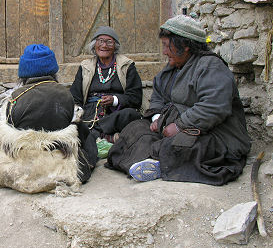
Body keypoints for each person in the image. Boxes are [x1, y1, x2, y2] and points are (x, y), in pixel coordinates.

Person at [106, 15, 251, 185]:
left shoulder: (210, 67)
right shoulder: (172, 68)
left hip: (214, 134)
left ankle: (157, 164)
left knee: (182, 144)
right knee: (135, 128)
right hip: (170, 126)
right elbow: (158, 95)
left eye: (167, 46)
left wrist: (180, 125)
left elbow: (213, 107)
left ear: (185, 45)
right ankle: (152, 163)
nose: (164, 52)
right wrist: (157, 118)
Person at [0, 44, 98, 194]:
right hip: (58, 158)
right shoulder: (65, 95)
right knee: (83, 130)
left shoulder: (15, 97)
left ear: (24, 72)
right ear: (53, 70)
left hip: (22, 160)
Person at [70, 26, 143, 143]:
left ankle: (94, 134)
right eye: (100, 41)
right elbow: (75, 96)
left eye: (109, 42)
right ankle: (107, 137)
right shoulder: (85, 67)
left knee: (131, 114)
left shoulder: (126, 66)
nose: (104, 46)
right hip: (91, 112)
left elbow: (136, 98)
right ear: (94, 45)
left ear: (115, 46)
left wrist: (115, 99)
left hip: (116, 113)